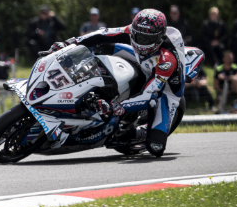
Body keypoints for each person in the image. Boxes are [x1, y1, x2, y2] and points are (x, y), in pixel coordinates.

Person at [50, 9, 191, 157]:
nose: (140, 42)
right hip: (143, 61)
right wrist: (71, 42)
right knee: (100, 47)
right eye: (138, 36)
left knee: (156, 148)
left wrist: (116, 108)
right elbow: (103, 33)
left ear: (159, 38)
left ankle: (139, 132)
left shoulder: (167, 60)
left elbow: (148, 96)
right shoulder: (132, 31)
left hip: (166, 90)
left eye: (146, 39)